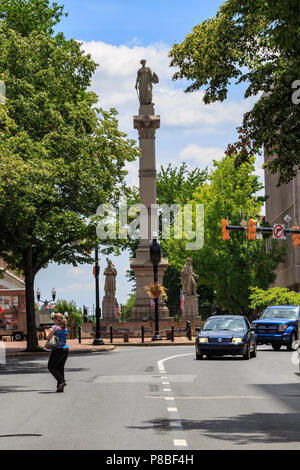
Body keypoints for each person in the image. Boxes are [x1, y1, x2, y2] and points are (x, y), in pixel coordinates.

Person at [47, 313, 69, 393]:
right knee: (60, 368)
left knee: (51, 366)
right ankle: (60, 387)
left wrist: (48, 332)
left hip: (57, 350)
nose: (53, 321)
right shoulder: (65, 328)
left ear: (57, 320)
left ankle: (61, 381)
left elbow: (48, 337)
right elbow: (65, 336)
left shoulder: (54, 328)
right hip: (66, 349)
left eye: (54, 319)